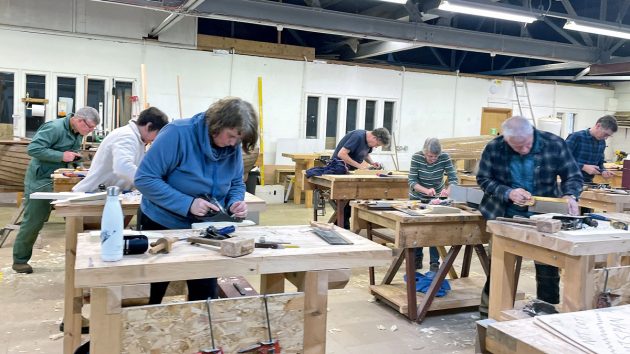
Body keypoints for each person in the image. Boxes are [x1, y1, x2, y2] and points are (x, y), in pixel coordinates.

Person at [134, 97, 258, 304]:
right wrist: (187, 204)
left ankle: (198, 330)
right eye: (231, 136)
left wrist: (234, 203)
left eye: (239, 139)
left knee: (204, 293)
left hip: (206, 230)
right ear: (216, 125)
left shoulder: (231, 145)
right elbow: (145, 178)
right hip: (164, 223)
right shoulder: (177, 133)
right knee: (155, 292)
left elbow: (236, 182)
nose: (234, 143)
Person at [476, 116, 582, 317]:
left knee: (548, 269)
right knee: (499, 268)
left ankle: (548, 315)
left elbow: (573, 176)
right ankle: (488, 313)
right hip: (505, 216)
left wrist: (570, 195)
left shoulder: (554, 144)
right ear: (507, 140)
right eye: (517, 147)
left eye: (526, 145)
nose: (523, 150)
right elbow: (483, 179)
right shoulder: (494, 148)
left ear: (532, 133)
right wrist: (508, 192)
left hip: (544, 218)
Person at [12, 107, 100, 273]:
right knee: (34, 221)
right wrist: (61, 156)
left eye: (92, 128)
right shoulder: (54, 128)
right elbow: (33, 149)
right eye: (89, 127)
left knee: (75, 217)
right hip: (41, 180)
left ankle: (80, 259)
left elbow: (73, 154)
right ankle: (20, 260)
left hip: (61, 179)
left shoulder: (77, 132)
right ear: (80, 120)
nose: (90, 131)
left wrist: (80, 168)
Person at [72, 107, 169, 193]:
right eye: (158, 134)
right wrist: (151, 185)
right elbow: (123, 167)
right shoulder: (127, 136)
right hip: (93, 195)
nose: (156, 139)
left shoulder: (138, 139)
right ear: (149, 126)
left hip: (107, 194)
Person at [408, 137, 458, 270]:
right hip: (418, 198)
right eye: (430, 156)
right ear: (424, 152)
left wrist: (447, 191)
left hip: (436, 198)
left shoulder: (445, 157)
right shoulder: (416, 157)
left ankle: (434, 262)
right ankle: (417, 257)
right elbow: (412, 182)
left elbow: (453, 179)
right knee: (418, 228)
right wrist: (426, 190)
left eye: (436, 156)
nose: (433, 159)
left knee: (434, 229)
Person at [328, 128, 391, 229]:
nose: (375, 147)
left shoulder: (368, 141)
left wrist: (372, 163)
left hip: (351, 170)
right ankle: (342, 223)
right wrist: (360, 166)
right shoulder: (357, 136)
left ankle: (344, 223)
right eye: (377, 144)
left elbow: (365, 153)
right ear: (375, 137)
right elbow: (342, 154)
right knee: (348, 196)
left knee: (356, 196)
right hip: (339, 167)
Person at [566, 115, 618, 184]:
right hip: (570, 182)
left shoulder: (602, 142)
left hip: (588, 183)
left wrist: (603, 171)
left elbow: (600, 163)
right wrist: (583, 167)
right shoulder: (576, 137)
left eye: (608, 136)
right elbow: (561, 160)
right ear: (598, 126)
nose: (606, 138)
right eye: (605, 134)